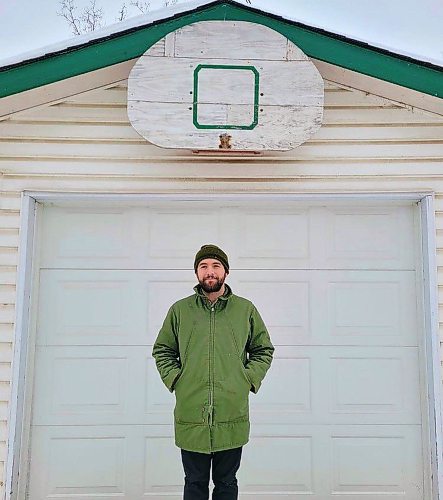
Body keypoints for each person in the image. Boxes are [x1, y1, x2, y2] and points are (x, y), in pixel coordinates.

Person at [152, 244, 274, 500]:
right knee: (194, 483)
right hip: (191, 411)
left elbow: (263, 349)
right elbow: (163, 350)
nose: (210, 271)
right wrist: (177, 379)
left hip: (231, 410)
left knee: (227, 483)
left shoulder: (245, 309)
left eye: (216, 266)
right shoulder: (180, 310)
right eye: (203, 266)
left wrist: (247, 379)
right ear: (197, 273)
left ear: (226, 272)